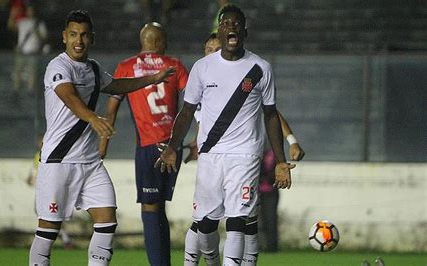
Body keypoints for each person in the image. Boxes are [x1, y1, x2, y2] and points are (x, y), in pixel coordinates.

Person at [28, 10, 175, 266]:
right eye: (73, 34)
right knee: (48, 230)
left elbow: (117, 85)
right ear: (64, 37)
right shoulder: (58, 66)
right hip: (59, 161)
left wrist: (153, 79)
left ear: (92, 38)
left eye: (84, 35)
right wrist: (93, 119)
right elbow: (69, 97)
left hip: (90, 163)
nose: (79, 40)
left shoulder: (93, 69)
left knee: (107, 222)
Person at [157, 4, 295, 265]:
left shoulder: (260, 68)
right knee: (206, 225)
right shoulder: (203, 67)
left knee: (236, 220)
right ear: (219, 32)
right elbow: (186, 112)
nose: (231, 27)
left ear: (245, 31)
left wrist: (280, 160)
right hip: (210, 155)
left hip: (245, 155)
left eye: (236, 23)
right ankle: (212, 261)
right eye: (226, 23)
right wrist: (172, 146)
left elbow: (270, 115)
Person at [183, 33, 305, 265]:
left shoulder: (246, 73)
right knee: (202, 222)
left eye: (215, 48)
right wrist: (192, 144)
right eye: (208, 49)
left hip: (243, 156)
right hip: (214, 159)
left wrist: (291, 140)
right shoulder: (202, 79)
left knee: (245, 219)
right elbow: (196, 119)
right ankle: (207, 261)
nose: (212, 52)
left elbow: (272, 112)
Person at [102, 22, 189, 266]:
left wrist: (103, 144)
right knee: (158, 206)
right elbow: (194, 103)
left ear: (143, 42)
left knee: (150, 208)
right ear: (159, 42)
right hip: (173, 146)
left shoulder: (126, 66)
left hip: (148, 145)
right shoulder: (175, 65)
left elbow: (111, 109)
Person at [9, 2, 49, 94]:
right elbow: (11, 27)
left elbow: (44, 38)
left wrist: (37, 32)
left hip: (33, 53)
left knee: (32, 72)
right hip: (22, 52)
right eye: (28, 10)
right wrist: (12, 15)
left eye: (32, 10)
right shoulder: (22, 22)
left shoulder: (39, 23)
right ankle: (16, 90)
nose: (30, 12)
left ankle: (30, 91)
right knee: (17, 71)